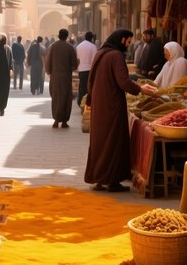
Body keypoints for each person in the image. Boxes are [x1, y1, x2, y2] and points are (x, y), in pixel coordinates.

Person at [83, 29, 142, 193]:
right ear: (122, 40)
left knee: (100, 141)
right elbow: (123, 82)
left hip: (100, 104)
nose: (129, 45)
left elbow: (90, 80)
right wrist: (140, 89)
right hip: (112, 105)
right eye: (128, 42)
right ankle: (112, 181)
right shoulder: (116, 56)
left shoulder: (101, 53)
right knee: (114, 141)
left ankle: (99, 178)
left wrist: (91, 100)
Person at [45, 28, 79, 128]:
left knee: (56, 97)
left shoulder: (53, 46)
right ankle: (64, 121)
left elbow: (48, 62)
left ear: (59, 35)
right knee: (66, 98)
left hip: (55, 76)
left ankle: (56, 120)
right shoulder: (70, 47)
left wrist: (49, 73)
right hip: (66, 77)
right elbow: (74, 64)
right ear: (67, 36)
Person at [75, 31, 97, 107]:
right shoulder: (93, 46)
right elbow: (94, 59)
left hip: (81, 68)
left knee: (82, 86)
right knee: (89, 86)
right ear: (91, 38)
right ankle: (88, 103)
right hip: (90, 69)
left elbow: (77, 59)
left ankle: (80, 101)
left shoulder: (79, 46)